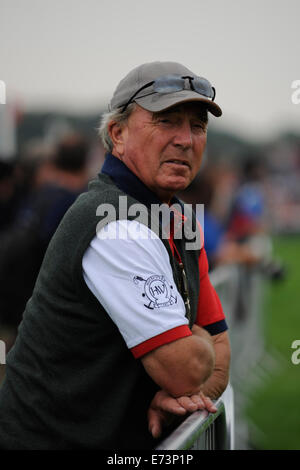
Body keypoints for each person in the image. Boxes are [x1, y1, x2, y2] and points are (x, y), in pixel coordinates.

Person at [0, 61, 231, 449]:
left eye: (197, 125)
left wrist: (187, 384)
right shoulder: (115, 225)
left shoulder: (178, 221)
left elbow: (215, 363)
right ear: (117, 134)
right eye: (167, 121)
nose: (186, 139)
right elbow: (189, 368)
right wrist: (200, 350)